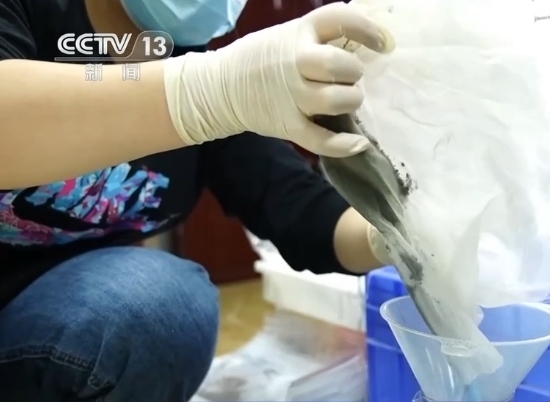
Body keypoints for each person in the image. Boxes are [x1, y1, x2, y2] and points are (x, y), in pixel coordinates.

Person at [0, 0, 396, 400]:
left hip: (56, 320)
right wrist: (204, 93)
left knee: (160, 305)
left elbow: (301, 209)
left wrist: (395, 236)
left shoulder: (192, 63)